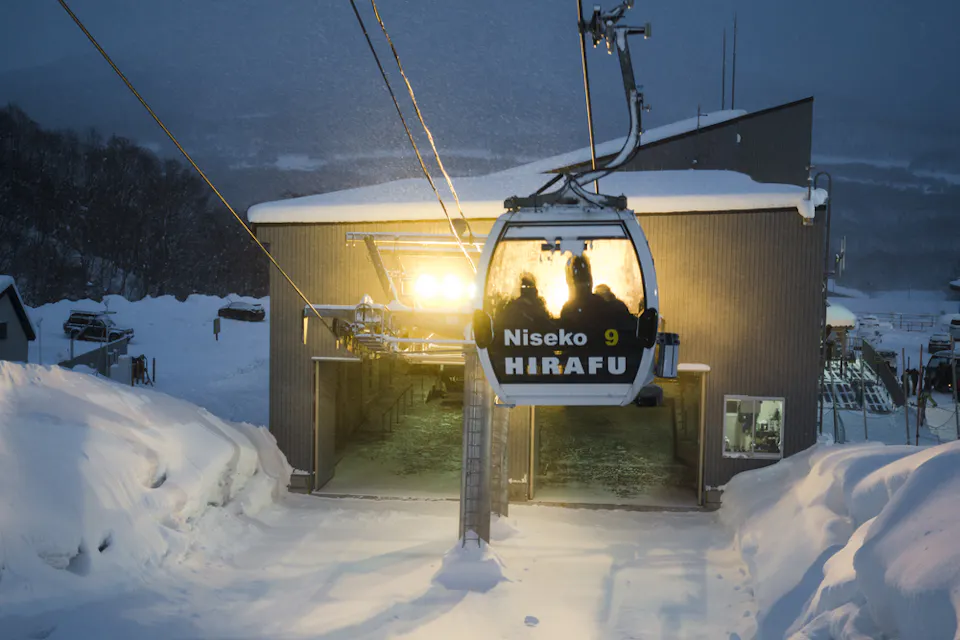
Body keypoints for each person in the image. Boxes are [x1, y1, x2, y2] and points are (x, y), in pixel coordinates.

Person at [560, 255, 606, 329]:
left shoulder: (601, 305)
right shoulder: (568, 310)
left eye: (585, 276)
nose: (583, 283)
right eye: (579, 277)